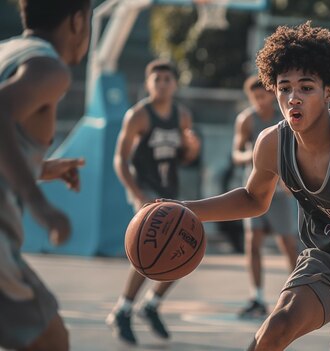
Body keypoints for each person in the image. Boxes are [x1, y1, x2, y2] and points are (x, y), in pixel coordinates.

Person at [164, 22, 330, 350]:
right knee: (276, 327)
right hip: (329, 260)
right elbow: (253, 199)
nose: (293, 98)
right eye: (284, 88)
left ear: (328, 91)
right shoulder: (271, 144)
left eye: (306, 88)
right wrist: (184, 209)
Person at [0, 0, 91, 349]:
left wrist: (41, 168)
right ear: (78, 22)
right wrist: (41, 207)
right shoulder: (49, 68)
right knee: (51, 340)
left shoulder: (8, 51)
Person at [106, 59, 200, 344]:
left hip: (169, 189)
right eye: (156, 79)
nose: (162, 84)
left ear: (175, 84)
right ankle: (123, 309)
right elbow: (120, 159)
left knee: (184, 246)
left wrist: (192, 149)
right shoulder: (139, 116)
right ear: (148, 84)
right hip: (144, 188)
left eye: (167, 79)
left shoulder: (182, 116)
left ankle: (151, 305)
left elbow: (185, 159)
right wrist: (137, 193)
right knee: (149, 245)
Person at [232, 75, 299, 318]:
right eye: (255, 97)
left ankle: (298, 293)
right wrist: (253, 154)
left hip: (279, 191)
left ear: (271, 94)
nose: (260, 101)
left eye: (263, 95)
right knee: (253, 241)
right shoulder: (247, 120)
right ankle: (257, 297)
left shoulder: (284, 118)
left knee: (288, 242)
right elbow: (236, 154)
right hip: (253, 189)